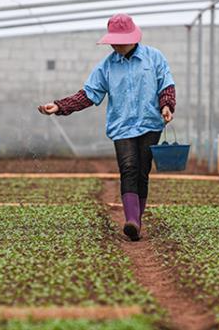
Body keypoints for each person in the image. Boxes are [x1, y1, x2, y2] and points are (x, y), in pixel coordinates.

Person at [38, 13, 176, 241]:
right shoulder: (107, 67)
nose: (116, 45)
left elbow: (166, 84)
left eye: (121, 40)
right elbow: (88, 95)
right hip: (121, 126)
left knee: (143, 171)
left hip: (151, 123)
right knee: (128, 168)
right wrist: (60, 106)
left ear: (133, 38)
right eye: (114, 41)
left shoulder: (154, 58)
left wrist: (167, 105)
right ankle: (131, 221)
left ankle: (137, 220)